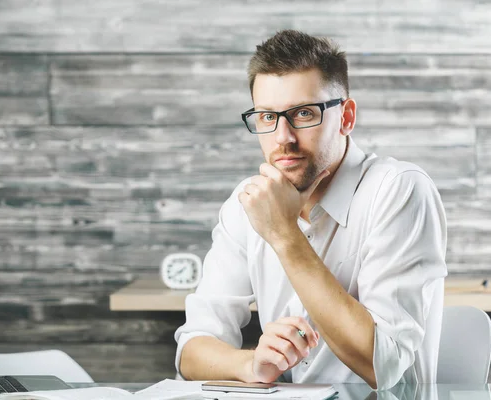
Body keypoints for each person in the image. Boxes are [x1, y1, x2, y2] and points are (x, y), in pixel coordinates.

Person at [174, 29, 447, 391]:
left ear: (346, 117)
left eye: (303, 113)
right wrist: (250, 363)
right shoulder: (246, 203)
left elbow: (383, 365)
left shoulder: (398, 189)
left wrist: (284, 235)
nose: (282, 137)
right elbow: (192, 350)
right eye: (267, 117)